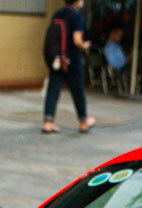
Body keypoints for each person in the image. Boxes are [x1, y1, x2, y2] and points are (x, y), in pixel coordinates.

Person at [42, 0, 95, 134]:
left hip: (58, 59)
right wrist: (84, 45)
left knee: (53, 88)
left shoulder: (57, 14)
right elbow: (77, 40)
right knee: (77, 90)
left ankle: (48, 122)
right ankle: (83, 122)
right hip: (72, 60)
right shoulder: (76, 16)